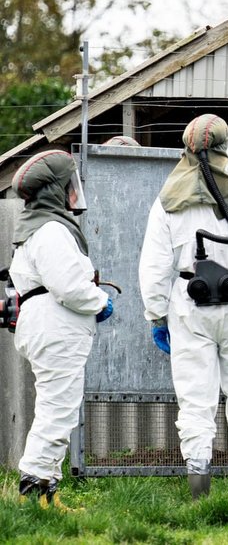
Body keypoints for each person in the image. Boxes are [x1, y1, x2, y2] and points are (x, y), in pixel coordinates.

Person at [139, 114, 228, 499]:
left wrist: (156, 314)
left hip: (190, 302)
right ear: (224, 151)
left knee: (195, 398)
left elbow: (153, 266)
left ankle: (199, 492)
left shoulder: (167, 203)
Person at [10, 150, 113, 510]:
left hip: (45, 324)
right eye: (70, 185)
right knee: (58, 410)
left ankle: (44, 490)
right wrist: (100, 301)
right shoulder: (52, 229)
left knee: (56, 408)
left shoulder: (37, 227)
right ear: (56, 189)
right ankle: (35, 492)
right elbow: (68, 286)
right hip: (55, 326)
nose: (75, 192)